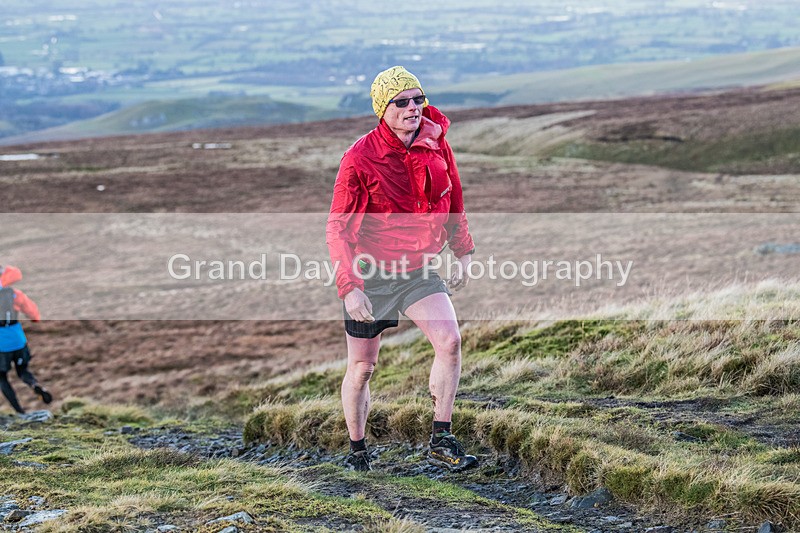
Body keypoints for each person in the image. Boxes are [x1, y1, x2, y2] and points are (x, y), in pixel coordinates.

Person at [326, 66, 477, 472]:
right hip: (370, 274)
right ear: (382, 109)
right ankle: (357, 452)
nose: (414, 108)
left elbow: (454, 195)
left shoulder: (435, 142)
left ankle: (441, 438)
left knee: (450, 342)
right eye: (402, 102)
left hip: (417, 270)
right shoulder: (359, 158)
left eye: (418, 99)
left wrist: (462, 250)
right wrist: (349, 287)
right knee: (362, 368)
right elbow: (338, 227)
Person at [0, 265, 52, 414]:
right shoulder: (15, 294)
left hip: (1, 346)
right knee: (23, 371)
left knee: (2, 378)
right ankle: (34, 384)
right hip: (18, 340)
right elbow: (34, 315)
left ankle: (19, 411)